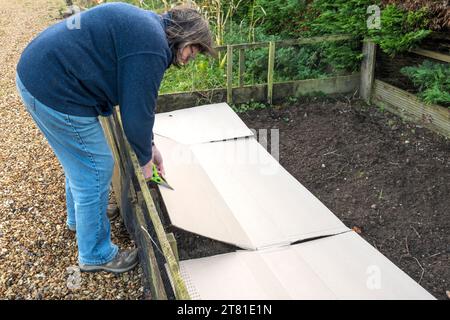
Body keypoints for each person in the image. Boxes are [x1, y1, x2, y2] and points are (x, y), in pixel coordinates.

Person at [15, 2, 215, 273]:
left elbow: (140, 104)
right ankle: (95, 254)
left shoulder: (150, 31)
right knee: (96, 166)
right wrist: (146, 162)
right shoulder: (152, 46)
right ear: (186, 36)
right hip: (55, 88)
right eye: (194, 49)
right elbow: (135, 117)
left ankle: (81, 221)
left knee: (80, 161)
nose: (192, 58)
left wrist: (151, 146)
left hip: (40, 73)